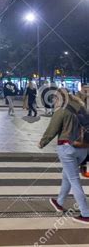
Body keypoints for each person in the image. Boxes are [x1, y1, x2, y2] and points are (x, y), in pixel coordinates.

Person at [39, 91, 89, 224]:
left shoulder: (61, 110)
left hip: (68, 148)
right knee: (67, 175)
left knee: (74, 179)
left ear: (59, 98)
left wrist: (42, 143)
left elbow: (52, 129)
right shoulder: (81, 107)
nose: (54, 101)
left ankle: (86, 213)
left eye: (54, 98)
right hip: (83, 148)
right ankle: (59, 202)